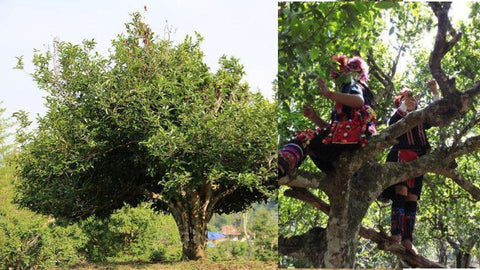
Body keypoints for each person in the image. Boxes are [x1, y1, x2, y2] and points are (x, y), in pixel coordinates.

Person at [278, 55, 376, 178]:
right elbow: (331, 132)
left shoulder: (354, 85)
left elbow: (358, 101)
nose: (346, 71)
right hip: (348, 142)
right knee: (311, 142)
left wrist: (329, 93)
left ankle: (282, 164)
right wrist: (314, 117)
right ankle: (285, 168)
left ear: (358, 72)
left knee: (306, 138)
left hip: (356, 136)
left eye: (352, 68)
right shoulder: (343, 98)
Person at [381, 79, 440, 255]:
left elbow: (437, 113)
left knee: (412, 197)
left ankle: (408, 239)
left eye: (413, 100)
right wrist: (404, 105)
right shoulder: (398, 117)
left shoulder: (421, 118)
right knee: (401, 191)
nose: (411, 101)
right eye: (406, 99)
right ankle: (396, 234)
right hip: (401, 156)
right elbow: (392, 123)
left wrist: (435, 91)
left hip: (420, 159)